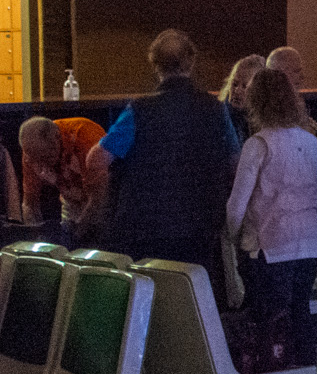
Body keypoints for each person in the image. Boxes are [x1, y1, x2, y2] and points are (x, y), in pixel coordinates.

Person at [226, 68, 317, 374]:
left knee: (273, 326)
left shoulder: (258, 144)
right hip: (309, 241)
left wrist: (234, 238)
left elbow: (237, 204)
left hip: (270, 245)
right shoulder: (308, 141)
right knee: (301, 320)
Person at [102, 30, 237, 284]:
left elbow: (99, 159)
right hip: (200, 225)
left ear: (155, 64)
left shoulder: (139, 110)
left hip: (145, 226)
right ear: (191, 61)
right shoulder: (215, 109)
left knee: (150, 293)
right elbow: (234, 163)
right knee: (193, 294)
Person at [14, 115, 109, 239]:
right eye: (36, 160)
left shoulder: (85, 137)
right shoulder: (33, 152)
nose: (41, 165)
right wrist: (34, 238)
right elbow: (30, 204)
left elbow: (99, 197)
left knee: (97, 239)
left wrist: (76, 236)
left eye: (46, 158)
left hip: (105, 195)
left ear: (57, 138)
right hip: (71, 198)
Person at [219, 54, 266, 142]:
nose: (237, 91)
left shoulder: (266, 125)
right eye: (235, 84)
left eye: (244, 86)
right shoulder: (219, 117)